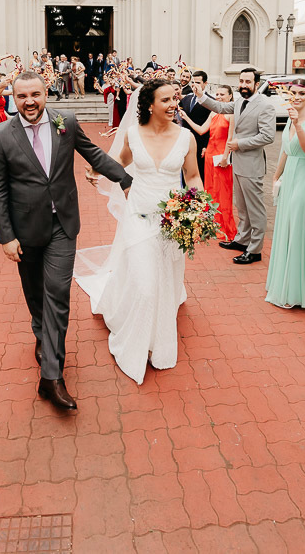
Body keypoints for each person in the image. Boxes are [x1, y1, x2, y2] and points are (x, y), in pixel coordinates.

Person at [0, 71, 132, 410]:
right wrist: (6, 237)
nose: (29, 102)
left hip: (63, 225)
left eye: (35, 94)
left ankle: (51, 376)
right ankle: (41, 332)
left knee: (57, 293)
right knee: (34, 291)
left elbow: (93, 153)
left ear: (45, 93)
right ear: (13, 96)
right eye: (22, 96)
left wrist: (124, 179)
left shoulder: (65, 122)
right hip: (24, 229)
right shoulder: (1, 135)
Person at [75, 78, 202, 385]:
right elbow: (119, 161)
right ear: (149, 105)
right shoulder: (133, 134)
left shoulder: (186, 138)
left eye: (176, 98)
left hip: (172, 218)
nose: (174, 104)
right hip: (138, 214)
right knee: (146, 284)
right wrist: (97, 168)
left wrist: (197, 210)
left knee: (167, 278)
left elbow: (193, 177)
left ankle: (156, 329)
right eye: (167, 100)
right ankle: (134, 344)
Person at [195, 67, 275, 264]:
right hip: (238, 163)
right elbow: (221, 108)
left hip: (252, 165)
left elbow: (268, 136)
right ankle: (241, 240)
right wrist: (201, 96)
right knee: (242, 207)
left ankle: (255, 250)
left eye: (248, 82)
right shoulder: (239, 101)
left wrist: (240, 144)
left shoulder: (265, 105)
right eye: (241, 81)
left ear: (256, 84)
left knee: (255, 209)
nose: (243, 85)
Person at [265, 80, 305, 309]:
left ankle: (297, 292)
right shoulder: (291, 119)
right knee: (285, 229)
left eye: (301, 93)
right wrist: (276, 175)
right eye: (292, 93)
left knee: (299, 231)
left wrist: (297, 124)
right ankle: (282, 282)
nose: (296, 96)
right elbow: (286, 149)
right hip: (290, 178)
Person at [180, 84, 237, 241]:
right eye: (217, 94)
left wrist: (226, 157)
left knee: (223, 192)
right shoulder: (213, 112)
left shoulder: (231, 113)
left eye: (222, 94)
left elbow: (231, 138)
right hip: (210, 156)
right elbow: (200, 130)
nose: (218, 97)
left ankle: (224, 227)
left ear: (230, 97)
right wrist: (186, 118)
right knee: (210, 191)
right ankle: (211, 224)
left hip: (222, 158)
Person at [180, 70, 211, 181]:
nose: (195, 85)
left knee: (198, 172)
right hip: (185, 139)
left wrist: (206, 145)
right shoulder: (186, 99)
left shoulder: (210, 101)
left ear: (205, 83)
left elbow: (210, 126)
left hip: (200, 141)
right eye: (193, 82)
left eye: (198, 83)